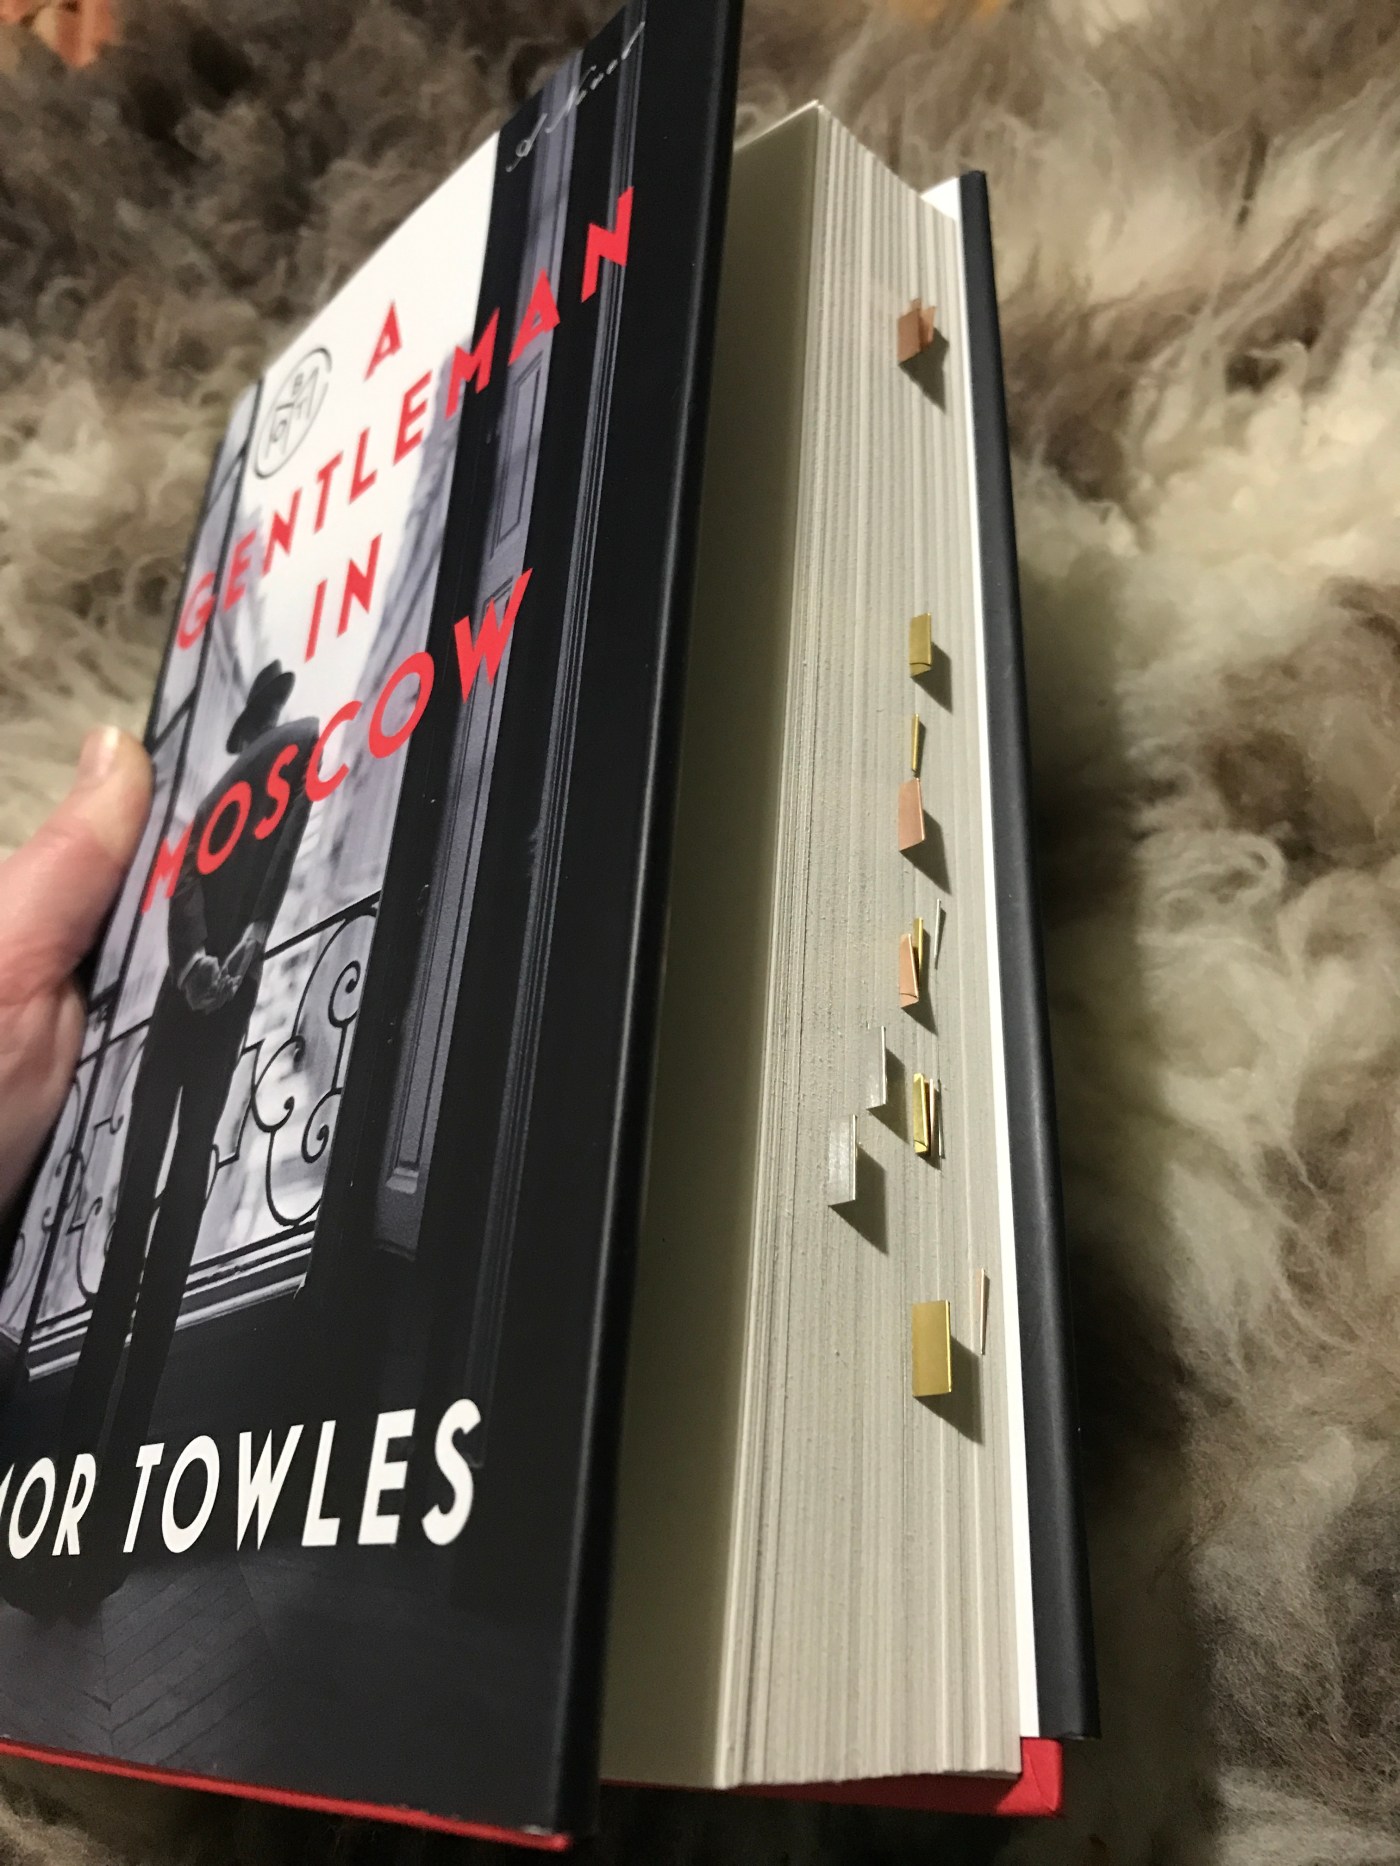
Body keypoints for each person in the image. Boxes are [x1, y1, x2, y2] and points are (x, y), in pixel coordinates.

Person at [57, 665, 320, 1522]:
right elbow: (218, 879)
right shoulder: (272, 780)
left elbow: (202, 885)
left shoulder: (238, 793)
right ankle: (125, 1386)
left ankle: (109, 1394)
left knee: (157, 1180)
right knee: (171, 1179)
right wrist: (228, 950)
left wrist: (212, 953)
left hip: (196, 996)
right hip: (210, 997)